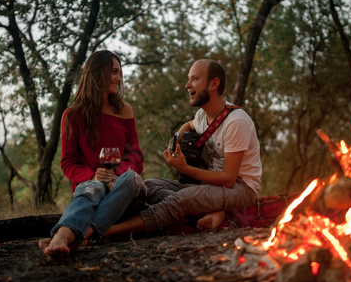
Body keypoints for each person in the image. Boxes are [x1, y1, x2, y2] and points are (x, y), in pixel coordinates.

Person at [103, 59, 261, 237]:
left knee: (182, 199)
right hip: (213, 186)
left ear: (214, 84)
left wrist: (184, 168)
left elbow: (229, 179)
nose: (187, 85)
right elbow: (191, 124)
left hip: (241, 188)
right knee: (148, 185)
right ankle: (213, 212)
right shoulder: (202, 115)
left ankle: (111, 231)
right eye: (188, 79)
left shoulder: (236, 121)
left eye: (194, 78)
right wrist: (178, 138)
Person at [39, 50, 145, 259]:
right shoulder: (72, 115)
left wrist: (118, 175)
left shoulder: (124, 110)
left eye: (120, 73)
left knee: (132, 178)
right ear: (98, 73)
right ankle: (66, 236)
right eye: (114, 72)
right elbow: (68, 163)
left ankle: (71, 235)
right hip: (89, 189)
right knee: (95, 186)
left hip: (121, 189)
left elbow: (136, 156)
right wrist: (93, 176)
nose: (119, 78)